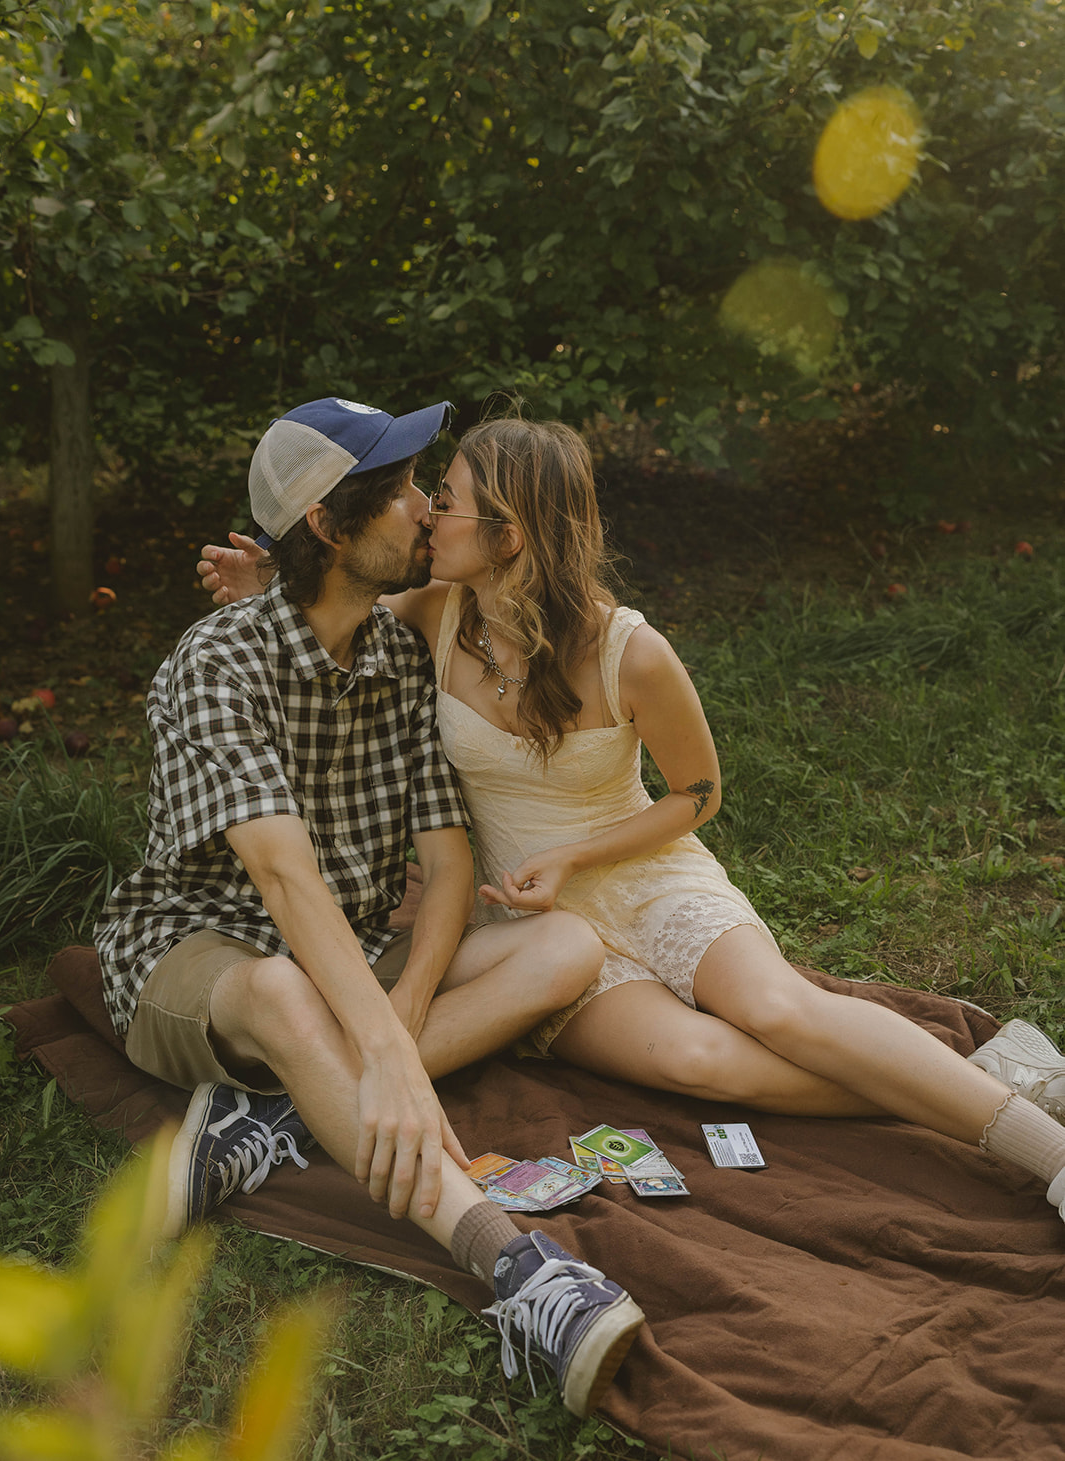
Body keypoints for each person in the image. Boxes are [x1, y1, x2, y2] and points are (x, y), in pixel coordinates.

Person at [198, 411, 1065, 1227]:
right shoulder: (430, 616)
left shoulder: (629, 651)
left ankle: (1048, 1155)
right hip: (530, 927)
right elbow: (331, 604)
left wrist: (576, 857)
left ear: (507, 536)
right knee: (697, 1061)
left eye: (447, 501)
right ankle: (978, 1083)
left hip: (646, 876)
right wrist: (263, 582)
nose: (426, 514)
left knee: (776, 1008)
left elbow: (698, 794)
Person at [95, 397, 646, 1420]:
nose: (425, 506)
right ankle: (519, 1268)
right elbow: (283, 881)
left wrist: (400, 1020)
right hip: (198, 951)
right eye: (399, 491)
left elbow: (446, 866)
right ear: (327, 526)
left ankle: (288, 1111)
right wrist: (385, 1056)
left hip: (347, 948)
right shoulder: (215, 663)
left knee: (566, 945)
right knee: (281, 991)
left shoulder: (395, 656)